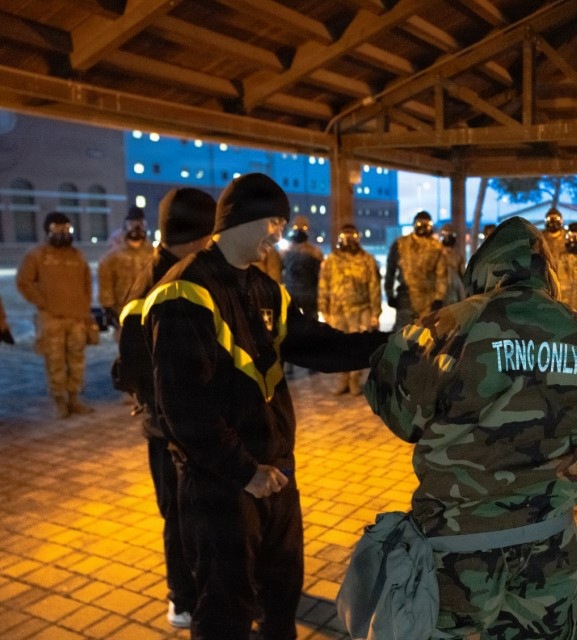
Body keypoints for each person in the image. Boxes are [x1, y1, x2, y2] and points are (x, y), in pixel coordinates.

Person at [143, 173, 389, 640]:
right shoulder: (184, 293)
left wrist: (393, 346)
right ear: (243, 219)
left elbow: (318, 346)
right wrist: (246, 472)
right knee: (225, 605)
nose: (279, 233)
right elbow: (184, 408)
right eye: (274, 221)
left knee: (281, 592)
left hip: (274, 471)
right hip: (222, 483)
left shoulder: (264, 288)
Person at [364, 216, 577, 640]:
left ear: (485, 268)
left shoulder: (444, 329)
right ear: (546, 272)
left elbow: (396, 409)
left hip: (458, 547)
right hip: (549, 540)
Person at [113, 187, 217, 629]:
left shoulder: (183, 272)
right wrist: (159, 406)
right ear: (197, 234)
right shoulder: (155, 286)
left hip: (193, 422)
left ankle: (206, 584)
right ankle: (182, 597)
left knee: (198, 512)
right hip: (168, 428)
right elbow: (131, 366)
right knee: (178, 514)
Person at [16, 212, 95, 418]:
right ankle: (59, 402)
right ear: (48, 231)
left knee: (77, 359)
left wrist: (84, 309)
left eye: (66, 229)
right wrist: (44, 303)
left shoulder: (77, 255)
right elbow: (24, 283)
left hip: (77, 318)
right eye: (57, 229)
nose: (62, 233)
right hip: (51, 319)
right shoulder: (37, 255)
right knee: (55, 361)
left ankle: (75, 399)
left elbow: (87, 284)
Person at [318, 223, 382, 395]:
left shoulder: (366, 259)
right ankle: (342, 379)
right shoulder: (331, 260)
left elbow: (374, 287)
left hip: (360, 311)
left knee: (357, 347)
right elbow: (324, 286)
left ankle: (355, 380)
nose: (348, 241)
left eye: (351, 237)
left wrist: (375, 313)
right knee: (339, 347)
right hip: (337, 312)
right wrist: (324, 310)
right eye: (344, 237)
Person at [384, 210, 447, 329]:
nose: (423, 227)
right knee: (403, 337)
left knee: (426, 337)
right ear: (413, 224)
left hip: (428, 300)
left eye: (426, 224)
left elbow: (441, 274)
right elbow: (390, 270)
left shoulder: (436, 247)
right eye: (419, 224)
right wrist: (389, 294)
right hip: (405, 299)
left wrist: (439, 298)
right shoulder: (400, 244)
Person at [98, 206, 153, 330]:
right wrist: (109, 308)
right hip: (122, 313)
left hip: (149, 314)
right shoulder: (112, 257)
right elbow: (106, 283)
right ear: (125, 227)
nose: (136, 229)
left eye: (140, 225)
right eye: (132, 225)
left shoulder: (154, 255)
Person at [280, 215, 324, 320]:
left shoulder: (314, 252)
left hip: (308, 294)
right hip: (294, 293)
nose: (299, 231)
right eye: (297, 228)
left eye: (302, 228)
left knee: (310, 325)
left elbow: (320, 276)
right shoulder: (285, 251)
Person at [439, 223, 467, 306]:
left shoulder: (458, 254)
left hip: (455, 286)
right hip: (441, 287)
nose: (447, 237)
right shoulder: (437, 253)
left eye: (450, 234)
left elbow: (462, 273)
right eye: (445, 234)